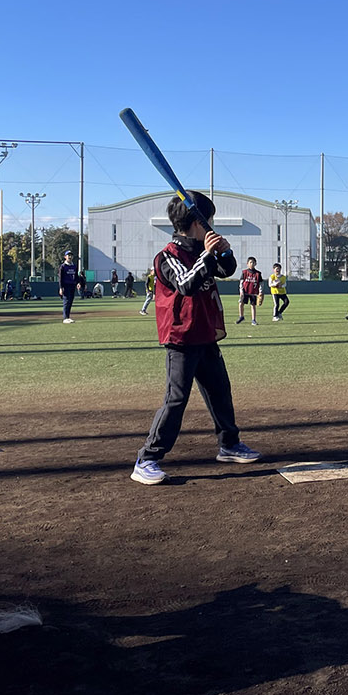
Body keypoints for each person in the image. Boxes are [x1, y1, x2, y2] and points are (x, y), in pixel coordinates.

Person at [132, 191, 260, 486]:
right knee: (176, 399)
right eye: (209, 219)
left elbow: (226, 270)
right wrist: (207, 255)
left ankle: (229, 445)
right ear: (197, 222)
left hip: (205, 333)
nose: (213, 225)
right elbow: (186, 284)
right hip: (181, 338)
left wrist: (224, 252)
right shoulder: (168, 256)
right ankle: (147, 458)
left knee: (220, 391)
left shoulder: (201, 251)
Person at [236, 257, 263, 325]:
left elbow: (261, 283)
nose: (252, 264)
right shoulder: (244, 272)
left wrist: (260, 291)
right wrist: (241, 291)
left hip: (253, 292)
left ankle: (253, 320)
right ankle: (241, 316)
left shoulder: (258, 273)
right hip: (245, 291)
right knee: (241, 303)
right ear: (247, 264)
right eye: (250, 262)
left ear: (255, 264)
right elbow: (241, 282)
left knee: (253, 305)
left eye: (253, 262)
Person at [59, 249, 79, 324]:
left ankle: (68, 317)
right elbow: (60, 278)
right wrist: (61, 288)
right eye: (68, 255)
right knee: (66, 301)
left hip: (72, 285)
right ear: (65, 257)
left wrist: (78, 283)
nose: (70, 257)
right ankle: (65, 318)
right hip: (65, 286)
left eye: (71, 255)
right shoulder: (63, 266)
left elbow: (76, 276)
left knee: (70, 301)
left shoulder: (74, 266)